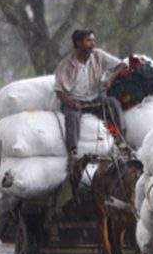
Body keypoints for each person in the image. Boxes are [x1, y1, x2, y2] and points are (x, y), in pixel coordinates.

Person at [54, 29, 127, 164]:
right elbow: (59, 92)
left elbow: (122, 65)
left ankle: (121, 143)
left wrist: (110, 79)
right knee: (72, 117)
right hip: (74, 101)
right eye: (88, 41)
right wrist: (70, 103)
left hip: (94, 99)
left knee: (113, 104)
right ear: (78, 43)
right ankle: (73, 153)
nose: (92, 44)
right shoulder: (66, 65)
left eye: (93, 40)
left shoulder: (98, 56)